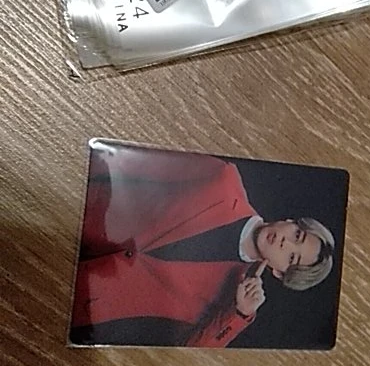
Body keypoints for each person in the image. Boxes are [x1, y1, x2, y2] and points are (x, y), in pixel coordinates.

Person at [70, 142, 335, 347]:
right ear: (290, 222)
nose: (285, 243)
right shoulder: (223, 177)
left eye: (291, 258)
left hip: (77, 294)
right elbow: (135, 163)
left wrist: (239, 313)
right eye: (297, 235)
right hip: (74, 206)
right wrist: (73, 168)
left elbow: (191, 349)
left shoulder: (230, 301)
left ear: (278, 272)